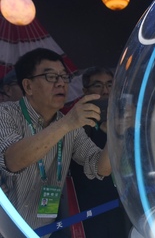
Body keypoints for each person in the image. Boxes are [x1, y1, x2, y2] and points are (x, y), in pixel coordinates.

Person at [0, 48, 112, 238]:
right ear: (28, 86)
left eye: (64, 76)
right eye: (51, 77)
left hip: (43, 232)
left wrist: (116, 135)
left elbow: (100, 168)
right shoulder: (6, 113)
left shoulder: (70, 126)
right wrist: (67, 123)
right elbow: (13, 160)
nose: (61, 83)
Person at [69, 66, 130, 238]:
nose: (105, 91)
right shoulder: (76, 125)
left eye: (110, 85)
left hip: (126, 205)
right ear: (84, 91)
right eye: (98, 85)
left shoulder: (127, 118)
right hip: (93, 206)